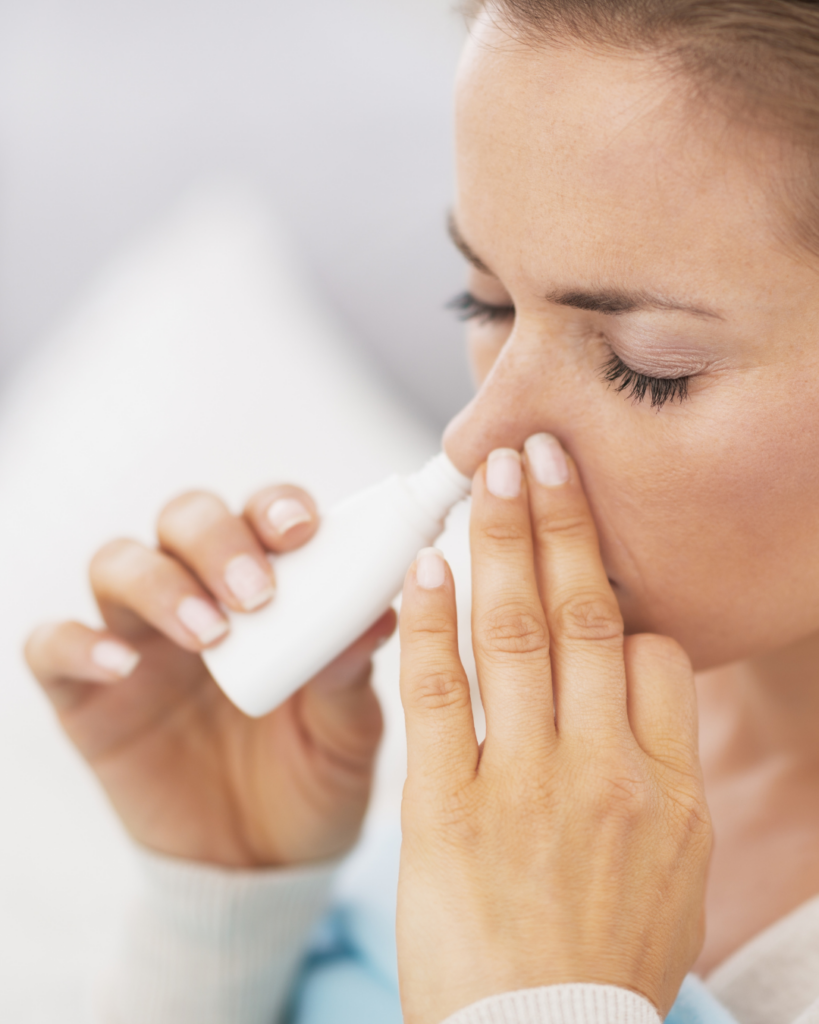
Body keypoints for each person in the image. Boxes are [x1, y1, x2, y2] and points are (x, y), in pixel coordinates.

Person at [24, 0, 819, 1021]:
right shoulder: (501, 726)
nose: (474, 438)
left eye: (644, 367)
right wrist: (219, 917)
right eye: (486, 304)